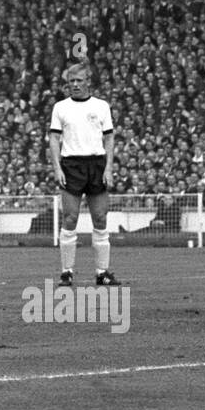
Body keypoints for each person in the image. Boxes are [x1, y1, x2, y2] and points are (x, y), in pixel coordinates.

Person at [47, 63, 119, 286]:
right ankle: (67, 272)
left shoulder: (101, 106)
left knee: (100, 218)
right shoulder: (60, 107)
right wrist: (57, 168)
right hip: (72, 165)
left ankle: (102, 272)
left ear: (88, 81)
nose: (75, 85)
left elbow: (109, 138)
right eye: (71, 81)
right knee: (70, 218)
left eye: (79, 81)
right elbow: (54, 139)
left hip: (96, 164)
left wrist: (108, 168)